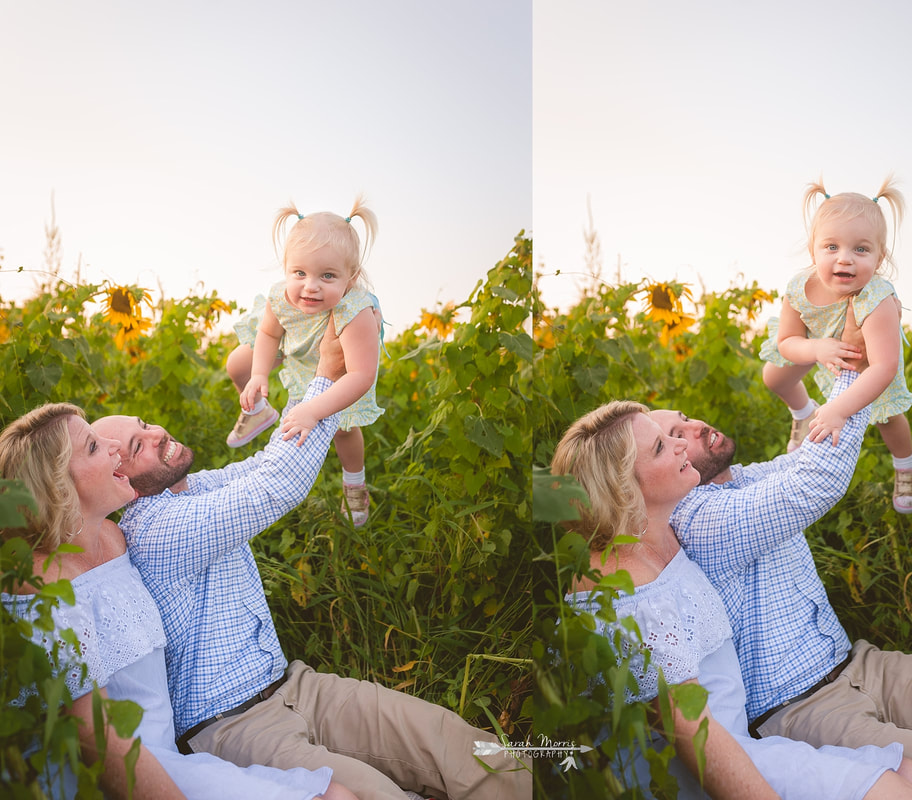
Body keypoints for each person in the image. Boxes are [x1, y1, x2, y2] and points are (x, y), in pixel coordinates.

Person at [91, 326, 528, 800]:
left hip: (296, 684)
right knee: (378, 795)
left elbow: (267, 463)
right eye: (138, 446)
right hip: (234, 728)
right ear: (120, 482)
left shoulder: (192, 488)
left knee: (462, 747)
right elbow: (278, 486)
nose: (156, 434)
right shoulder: (153, 530)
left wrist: (319, 386)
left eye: (143, 424)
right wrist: (327, 373)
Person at [650, 316, 912, 800]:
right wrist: (856, 364)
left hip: (859, 664)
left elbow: (807, 458)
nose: (695, 427)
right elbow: (815, 483)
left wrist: (844, 366)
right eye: (675, 435)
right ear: (661, 469)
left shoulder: (741, 479)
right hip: (798, 710)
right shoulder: (696, 519)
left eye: (686, 417)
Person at [551, 401, 912, 800]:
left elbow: (792, 472)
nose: (681, 444)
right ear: (624, 491)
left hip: (737, 740)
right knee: (902, 794)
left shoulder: (662, 532)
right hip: (688, 768)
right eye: (662, 447)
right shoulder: (628, 597)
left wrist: (841, 398)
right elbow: (694, 739)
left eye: (670, 432)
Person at [0, 403, 357, 800]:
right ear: (58, 488)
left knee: (337, 794)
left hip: (167, 753)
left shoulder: (116, 540)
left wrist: (315, 398)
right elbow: (95, 740)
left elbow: (260, 472)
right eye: (94, 447)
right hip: (116, 771)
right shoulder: (40, 592)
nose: (114, 447)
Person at [759, 176, 912, 513]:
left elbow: (884, 367)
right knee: (774, 376)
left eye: (860, 249)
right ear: (813, 249)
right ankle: (803, 414)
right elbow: (787, 341)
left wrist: (837, 410)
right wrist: (817, 348)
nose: (844, 259)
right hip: (821, 347)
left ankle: (906, 467)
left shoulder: (876, 299)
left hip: (868, 361)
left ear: (879, 258)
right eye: (831, 247)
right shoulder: (799, 288)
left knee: (886, 417)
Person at [226, 200, 385, 526]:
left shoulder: (355, 312)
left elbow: (361, 375)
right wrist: (258, 375)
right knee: (237, 363)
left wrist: (313, 409)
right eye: (299, 273)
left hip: (343, 369)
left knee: (344, 428)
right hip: (297, 346)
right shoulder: (282, 296)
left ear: (351, 278)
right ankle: (258, 410)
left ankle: (355, 485)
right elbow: (269, 334)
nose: (310, 286)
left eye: (327, 275)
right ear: (286, 269)